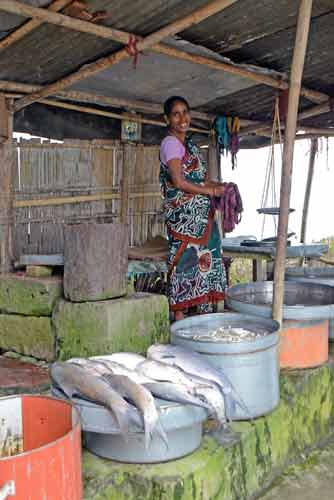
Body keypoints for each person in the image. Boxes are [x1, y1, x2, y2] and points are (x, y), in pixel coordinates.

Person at [160, 96, 227, 321]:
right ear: (167, 118)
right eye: (176, 114)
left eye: (185, 112)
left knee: (204, 266)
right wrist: (210, 192)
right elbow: (178, 182)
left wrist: (219, 187)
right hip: (185, 221)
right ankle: (180, 326)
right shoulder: (170, 144)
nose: (182, 118)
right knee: (186, 265)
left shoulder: (189, 145)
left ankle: (204, 324)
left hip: (202, 221)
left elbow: (200, 180)